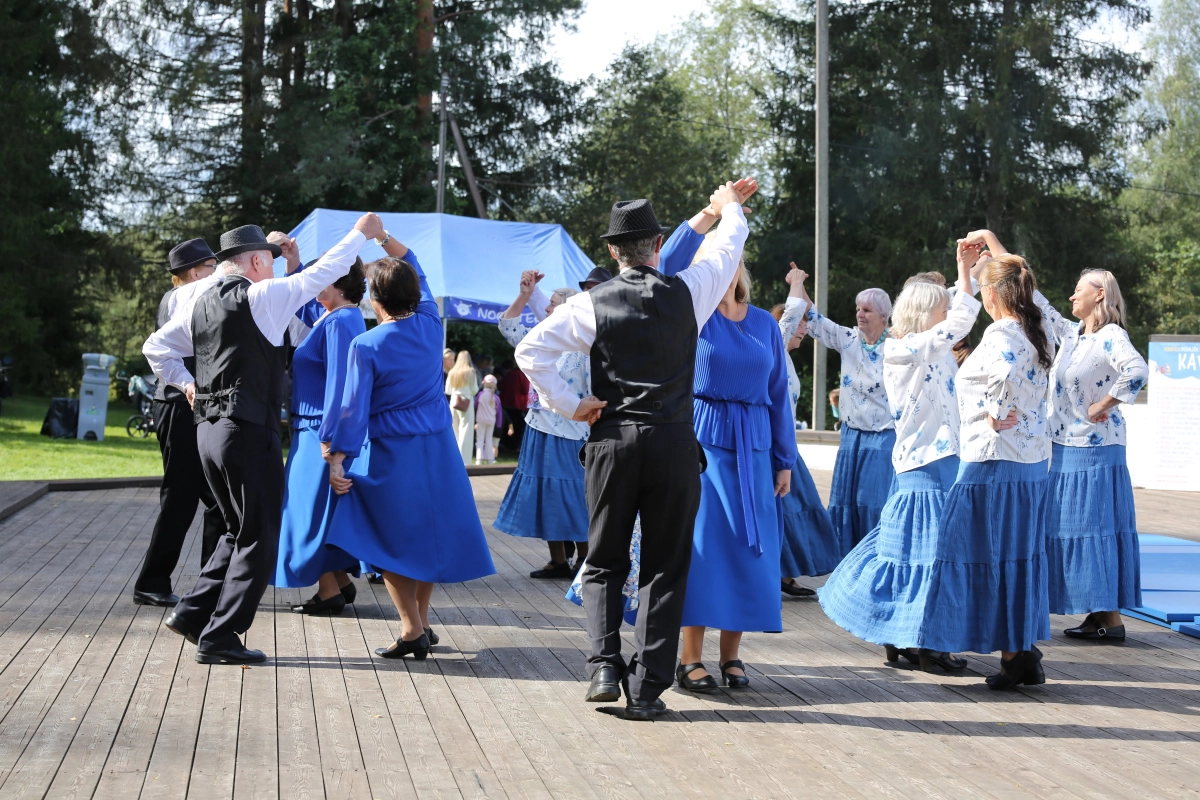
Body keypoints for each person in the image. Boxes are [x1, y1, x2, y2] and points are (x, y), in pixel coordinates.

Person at [515, 179, 753, 721]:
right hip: (672, 442)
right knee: (664, 568)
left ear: (611, 252)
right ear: (658, 245)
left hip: (613, 441)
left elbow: (530, 350)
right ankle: (646, 691)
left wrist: (570, 404)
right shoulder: (690, 290)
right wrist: (728, 209)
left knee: (603, 559)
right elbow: (728, 246)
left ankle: (604, 666)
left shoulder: (589, 303)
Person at [143, 214, 380, 664]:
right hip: (247, 430)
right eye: (268, 260)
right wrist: (361, 234)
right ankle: (221, 636)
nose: (272, 268)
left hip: (207, 433)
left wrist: (187, 384)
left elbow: (154, 348)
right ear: (255, 261)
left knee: (237, 530)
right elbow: (323, 273)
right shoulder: (262, 295)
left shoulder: (198, 303)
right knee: (259, 536)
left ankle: (192, 614)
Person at [322, 234, 496, 660]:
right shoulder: (431, 324)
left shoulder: (367, 344)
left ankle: (412, 628)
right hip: (439, 449)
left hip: (393, 451)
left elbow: (353, 407)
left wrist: (338, 458)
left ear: (375, 300)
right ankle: (421, 621)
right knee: (426, 535)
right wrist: (383, 236)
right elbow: (413, 262)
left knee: (390, 538)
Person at [975, 233, 1148, 642]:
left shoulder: (1111, 336)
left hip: (1096, 451)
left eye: (1078, 290)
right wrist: (991, 242)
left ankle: (1110, 620)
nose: (1071, 296)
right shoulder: (1071, 334)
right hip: (1065, 447)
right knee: (1073, 529)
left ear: (1099, 294)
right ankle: (1100, 615)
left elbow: (1137, 371)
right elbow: (1028, 292)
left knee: (1092, 530)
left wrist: (1103, 404)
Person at [820, 242, 983, 671]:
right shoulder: (906, 348)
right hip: (926, 465)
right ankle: (926, 643)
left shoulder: (927, 348)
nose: (948, 315)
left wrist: (967, 272)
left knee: (915, 553)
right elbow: (962, 318)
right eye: (942, 309)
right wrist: (964, 270)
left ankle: (903, 636)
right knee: (930, 556)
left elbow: (960, 313)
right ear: (927, 313)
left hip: (937, 462)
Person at [656, 235, 795, 693]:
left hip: (755, 448)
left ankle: (731, 655)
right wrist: (709, 218)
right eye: (714, 260)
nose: (724, 266)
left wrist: (784, 459)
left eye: (729, 258)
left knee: (747, 550)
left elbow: (778, 394)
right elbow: (664, 266)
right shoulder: (691, 315)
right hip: (702, 446)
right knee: (703, 550)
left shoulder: (764, 323)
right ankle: (689, 658)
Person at [917, 247, 1055, 689]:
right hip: (1027, 461)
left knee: (978, 550)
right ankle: (1018, 652)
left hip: (992, 460)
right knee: (1014, 554)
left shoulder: (1001, 334)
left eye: (981, 287)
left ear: (992, 294)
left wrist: (995, 411)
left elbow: (1005, 373)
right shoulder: (1037, 329)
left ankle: (1016, 654)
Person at [272, 246, 368, 615]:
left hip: (317, 430)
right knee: (313, 508)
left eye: (319, 278)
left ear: (337, 283)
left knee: (305, 511)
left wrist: (329, 439)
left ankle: (329, 592)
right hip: (311, 427)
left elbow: (339, 385)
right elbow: (303, 305)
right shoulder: (336, 316)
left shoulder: (340, 321)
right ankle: (338, 583)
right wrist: (292, 264)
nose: (312, 285)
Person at [132, 238, 225, 607]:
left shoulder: (190, 295)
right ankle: (152, 583)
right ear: (194, 273)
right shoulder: (180, 298)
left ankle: (209, 583)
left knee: (216, 498)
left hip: (189, 405)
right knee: (181, 498)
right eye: (211, 267)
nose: (217, 272)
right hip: (177, 406)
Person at [495, 273, 593, 577]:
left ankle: (586, 560)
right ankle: (558, 560)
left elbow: (595, 390)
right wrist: (524, 295)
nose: (546, 309)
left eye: (552, 304)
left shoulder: (586, 348)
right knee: (544, 492)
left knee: (572, 494)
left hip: (571, 432)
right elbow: (508, 326)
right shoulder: (540, 339)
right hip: (538, 426)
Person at [798, 281, 896, 554]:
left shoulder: (898, 347)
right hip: (852, 435)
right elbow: (815, 318)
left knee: (873, 500)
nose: (859, 314)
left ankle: (875, 556)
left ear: (883, 316)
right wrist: (799, 284)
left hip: (883, 436)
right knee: (846, 501)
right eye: (858, 309)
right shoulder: (849, 339)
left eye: (867, 310)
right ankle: (844, 559)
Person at [768, 266, 841, 594]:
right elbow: (793, 314)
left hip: (787, 443)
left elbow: (806, 314)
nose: (803, 330)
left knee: (796, 507)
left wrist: (801, 292)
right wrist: (795, 284)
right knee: (787, 507)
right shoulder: (774, 348)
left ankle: (785, 574)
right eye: (797, 325)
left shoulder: (786, 359)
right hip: (775, 445)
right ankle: (780, 574)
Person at [446, 351, 477, 464]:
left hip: (454, 401)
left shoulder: (452, 372)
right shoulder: (471, 371)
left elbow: (448, 390)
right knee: (466, 431)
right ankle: (464, 460)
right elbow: (475, 389)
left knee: (454, 430)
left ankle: (452, 458)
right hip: (466, 401)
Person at [497, 358, 530, 454]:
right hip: (518, 404)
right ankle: (516, 446)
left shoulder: (508, 374)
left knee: (507, 425)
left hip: (506, 403)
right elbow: (525, 390)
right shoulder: (522, 375)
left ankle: (505, 445)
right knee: (518, 427)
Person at [475, 374, 501, 464]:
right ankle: (490, 459)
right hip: (491, 420)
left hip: (481, 420)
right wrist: (499, 423)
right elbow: (499, 412)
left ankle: (479, 459)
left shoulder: (480, 395)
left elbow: (476, 405)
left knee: (480, 439)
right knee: (489, 439)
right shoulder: (496, 397)